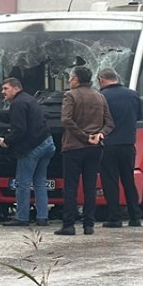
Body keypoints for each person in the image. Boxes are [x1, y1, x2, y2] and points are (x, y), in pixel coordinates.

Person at [0, 77, 54, 227]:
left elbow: (19, 130)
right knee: (40, 182)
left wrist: (6, 141)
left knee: (22, 183)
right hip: (47, 143)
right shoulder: (27, 99)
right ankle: (42, 217)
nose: (2, 92)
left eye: (5, 88)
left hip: (32, 147)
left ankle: (22, 218)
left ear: (16, 88)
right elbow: (11, 117)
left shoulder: (18, 103)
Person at [56, 66, 114, 236]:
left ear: (76, 79)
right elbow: (110, 123)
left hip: (73, 147)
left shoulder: (70, 95)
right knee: (90, 186)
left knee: (71, 187)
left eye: (70, 77)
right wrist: (99, 135)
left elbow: (66, 120)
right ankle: (89, 224)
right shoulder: (100, 96)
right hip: (95, 148)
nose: (69, 80)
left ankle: (69, 225)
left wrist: (83, 136)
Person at [96, 67, 142, 228]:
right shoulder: (133, 95)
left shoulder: (101, 97)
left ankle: (115, 217)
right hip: (128, 144)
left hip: (108, 145)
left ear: (101, 80)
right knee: (128, 180)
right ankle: (135, 217)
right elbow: (139, 116)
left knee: (110, 181)